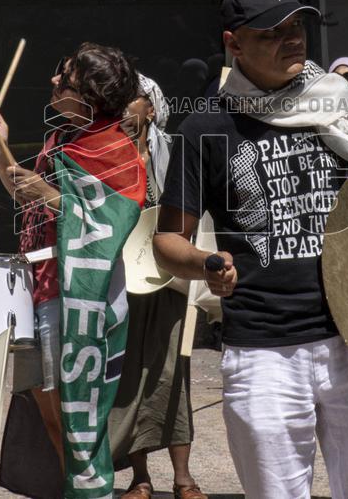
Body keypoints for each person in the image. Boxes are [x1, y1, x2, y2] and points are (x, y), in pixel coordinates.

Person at [153, 0, 348, 499]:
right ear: (234, 43)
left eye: (297, 27)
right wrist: (208, 264)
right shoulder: (205, 127)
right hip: (263, 354)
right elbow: (166, 243)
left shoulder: (339, 106)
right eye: (272, 32)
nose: (292, 40)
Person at [0, 42, 146, 495]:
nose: (55, 79)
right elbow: (24, 193)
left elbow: (112, 220)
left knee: (74, 420)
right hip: (38, 291)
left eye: (66, 76)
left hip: (77, 297)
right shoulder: (62, 139)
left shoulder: (116, 149)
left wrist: (47, 193)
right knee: (51, 417)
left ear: (90, 98)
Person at [110, 74, 206, 499]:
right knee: (131, 372)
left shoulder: (175, 149)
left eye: (134, 100)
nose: (127, 109)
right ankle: (140, 477)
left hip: (168, 274)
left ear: (151, 108)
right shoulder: (108, 153)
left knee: (172, 369)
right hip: (126, 277)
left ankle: (183, 478)